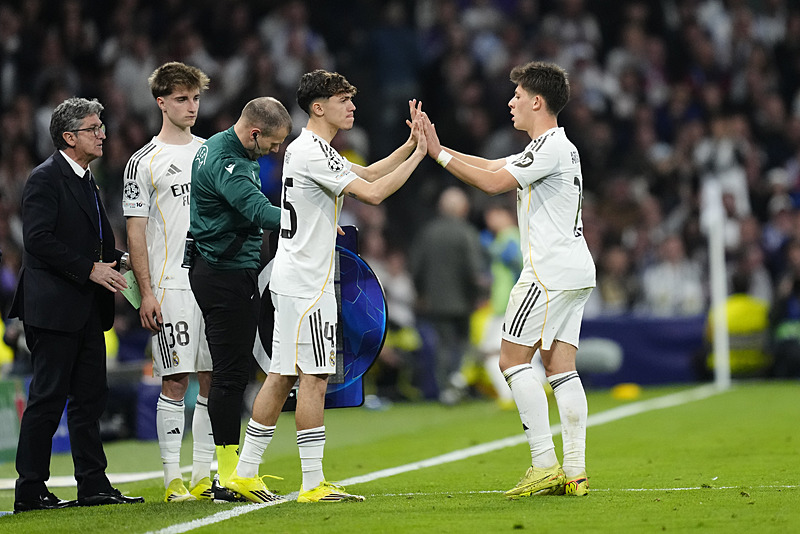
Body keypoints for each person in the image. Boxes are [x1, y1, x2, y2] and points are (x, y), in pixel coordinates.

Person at [229, 69, 427, 503]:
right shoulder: (312, 153)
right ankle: (312, 483)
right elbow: (373, 195)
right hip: (307, 284)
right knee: (314, 377)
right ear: (319, 107)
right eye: (343, 99)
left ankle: (244, 473)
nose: (351, 106)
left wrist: (412, 144)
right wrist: (419, 158)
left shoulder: (312, 149)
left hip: (294, 277)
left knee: (281, 376)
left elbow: (371, 172)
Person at [422, 61, 595, 498]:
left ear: (537, 101)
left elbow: (494, 182)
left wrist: (438, 156)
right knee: (561, 367)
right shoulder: (558, 146)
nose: (510, 102)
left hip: (548, 272)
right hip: (576, 269)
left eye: (517, 96)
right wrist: (440, 147)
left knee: (511, 361)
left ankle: (543, 464)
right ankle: (574, 471)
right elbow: (492, 162)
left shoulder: (549, 147)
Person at [10, 97, 144, 512]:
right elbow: (38, 240)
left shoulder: (87, 177)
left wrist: (119, 259)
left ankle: (93, 485)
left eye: (101, 126)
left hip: (85, 307)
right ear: (69, 137)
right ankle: (30, 491)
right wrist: (90, 269)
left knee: (90, 398)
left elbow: (90, 237)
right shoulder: (45, 178)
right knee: (48, 398)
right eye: (93, 128)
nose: (103, 133)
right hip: (52, 308)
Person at [187, 96, 292, 502]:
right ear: (254, 133)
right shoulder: (228, 163)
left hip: (217, 270)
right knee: (231, 377)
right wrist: (305, 219)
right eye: (274, 142)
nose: (276, 150)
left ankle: (227, 472)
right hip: (226, 274)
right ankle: (230, 475)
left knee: (228, 375)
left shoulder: (215, 145)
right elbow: (257, 210)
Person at [122, 62, 215, 502]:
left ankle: (202, 474)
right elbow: (135, 233)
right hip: (170, 285)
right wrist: (146, 292)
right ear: (161, 102)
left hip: (212, 284)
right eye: (181, 98)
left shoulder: (212, 153)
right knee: (175, 381)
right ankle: (171, 479)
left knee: (213, 377)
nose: (191, 106)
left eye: (196, 98)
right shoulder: (142, 162)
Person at [409, 186, 484, 404]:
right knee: (462, 344)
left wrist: (421, 293)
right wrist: (478, 294)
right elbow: (474, 269)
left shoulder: (428, 232)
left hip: (435, 301)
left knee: (442, 345)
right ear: (462, 208)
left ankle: (444, 389)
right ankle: (456, 384)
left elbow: (416, 267)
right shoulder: (466, 232)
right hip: (463, 301)